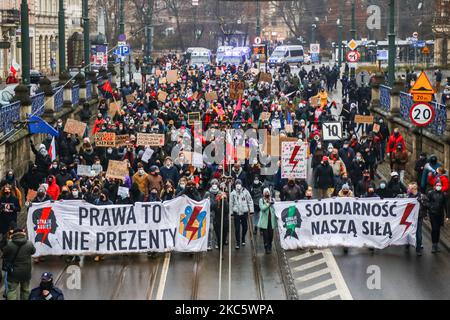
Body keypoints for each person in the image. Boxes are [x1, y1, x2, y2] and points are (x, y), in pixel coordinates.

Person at [1, 228, 36, 300]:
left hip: (13, 272)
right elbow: (33, 251)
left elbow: (4, 254)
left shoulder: (10, 244)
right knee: (25, 290)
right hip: (26, 271)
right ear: (23, 234)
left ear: (13, 234)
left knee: (12, 290)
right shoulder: (29, 243)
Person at [230, 179, 254, 249]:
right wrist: (231, 213)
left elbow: (250, 201)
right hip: (236, 212)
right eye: (237, 183)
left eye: (239, 183)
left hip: (244, 211)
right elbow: (231, 203)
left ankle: (243, 237)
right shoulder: (233, 193)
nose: (238, 185)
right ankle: (237, 242)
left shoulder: (246, 192)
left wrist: (251, 210)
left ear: (241, 184)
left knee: (245, 227)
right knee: (237, 228)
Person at [426, 182, 448, 253]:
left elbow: (446, 205)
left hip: (440, 215)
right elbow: (427, 202)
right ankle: (433, 244)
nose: (438, 186)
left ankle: (436, 245)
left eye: (440, 185)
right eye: (437, 185)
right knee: (434, 229)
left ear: (441, 186)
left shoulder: (443, 194)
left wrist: (447, 216)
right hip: (433, 214)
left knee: (438, 230)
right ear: (435, 186)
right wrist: (430, 207)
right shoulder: (431, 193)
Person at [258, 188, 277, 254]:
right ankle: (266, 248)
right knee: (265, 235)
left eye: (268, 192)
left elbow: (276, 208)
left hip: (271, 221)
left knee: (271, 235)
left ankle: (270, 245)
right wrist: (268, 204)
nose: (267, 194)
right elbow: (262, 208)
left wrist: (272, 203)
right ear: (263, 194)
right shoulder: (261, 200)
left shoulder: (272, 199)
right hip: (264, 221)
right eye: (265, 193)